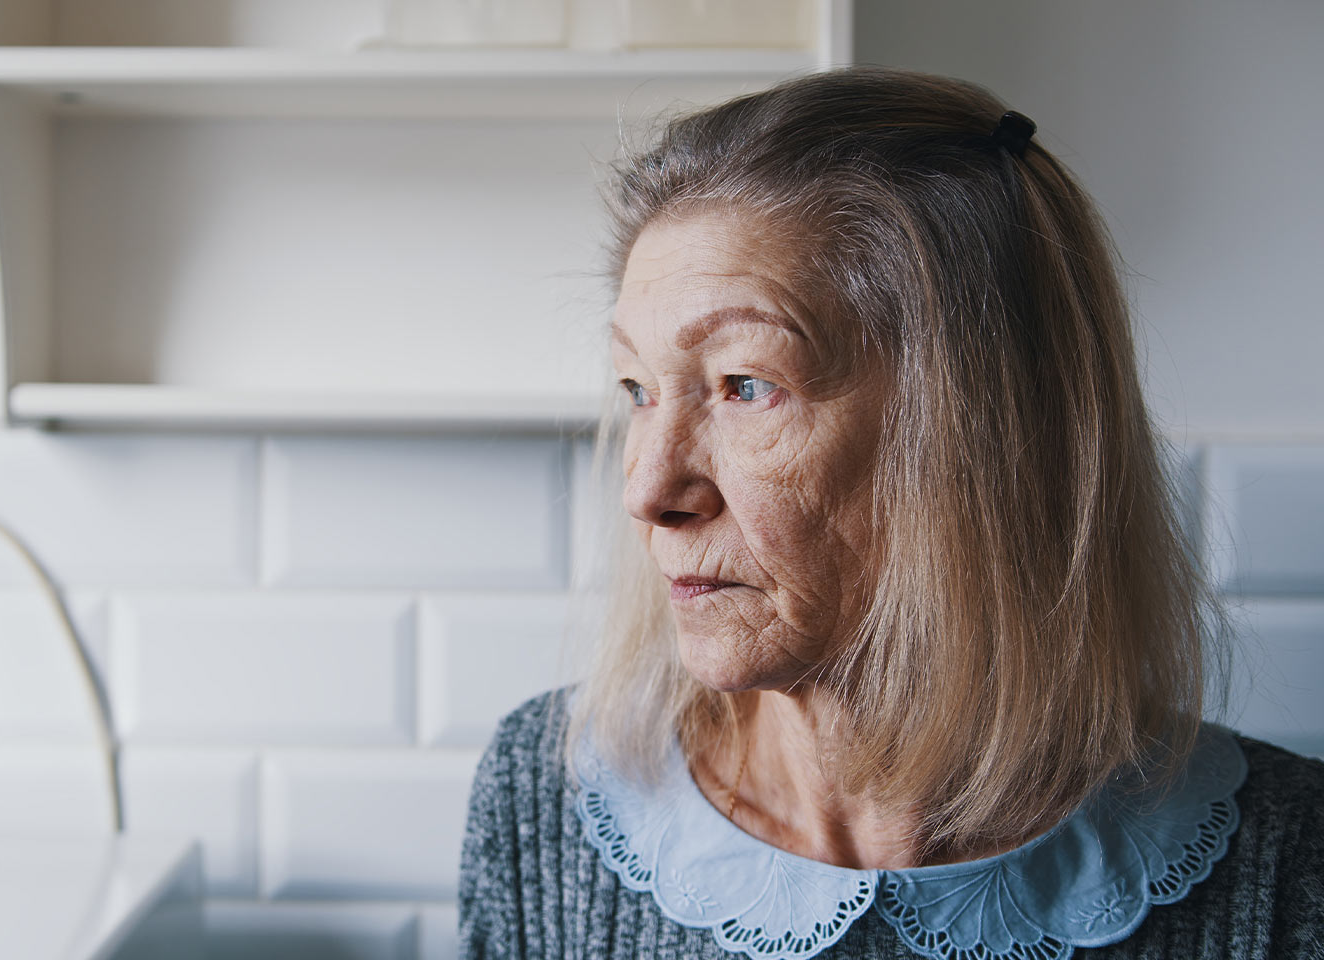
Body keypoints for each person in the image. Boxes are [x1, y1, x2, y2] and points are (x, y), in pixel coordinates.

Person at [456, 67, 1323, 959]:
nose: (649, 491)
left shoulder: (1290, 864)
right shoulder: (547, 799)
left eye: (745, 385)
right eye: (637, 389)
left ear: (983, 436)